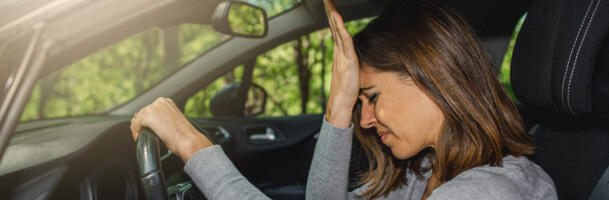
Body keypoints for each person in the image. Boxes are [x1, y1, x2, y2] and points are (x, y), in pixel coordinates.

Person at [130, 0, 558, 199]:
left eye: (370, 98)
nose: (365, 122)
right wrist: (339, 105)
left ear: (432, 77)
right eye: (360, 103)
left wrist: (192, 144)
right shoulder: (422, 173)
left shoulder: (495, 191)